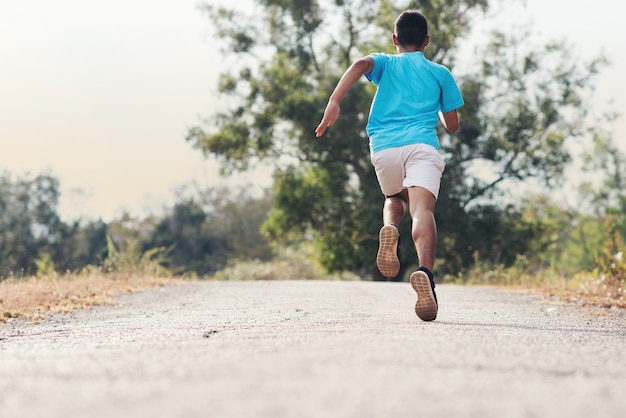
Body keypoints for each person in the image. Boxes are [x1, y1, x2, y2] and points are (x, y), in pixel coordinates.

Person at [315, 9, 464, 321]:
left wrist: (334, 101)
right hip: (422, 146)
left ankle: (390, 228)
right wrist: (439, 105)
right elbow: (452, 125)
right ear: (426, 41)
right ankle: (425, 272)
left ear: (395, 39)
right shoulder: (440, 73)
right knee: (422, 210)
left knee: (394, 198)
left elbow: (359, 65)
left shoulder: (385, 63)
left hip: (384, 147)